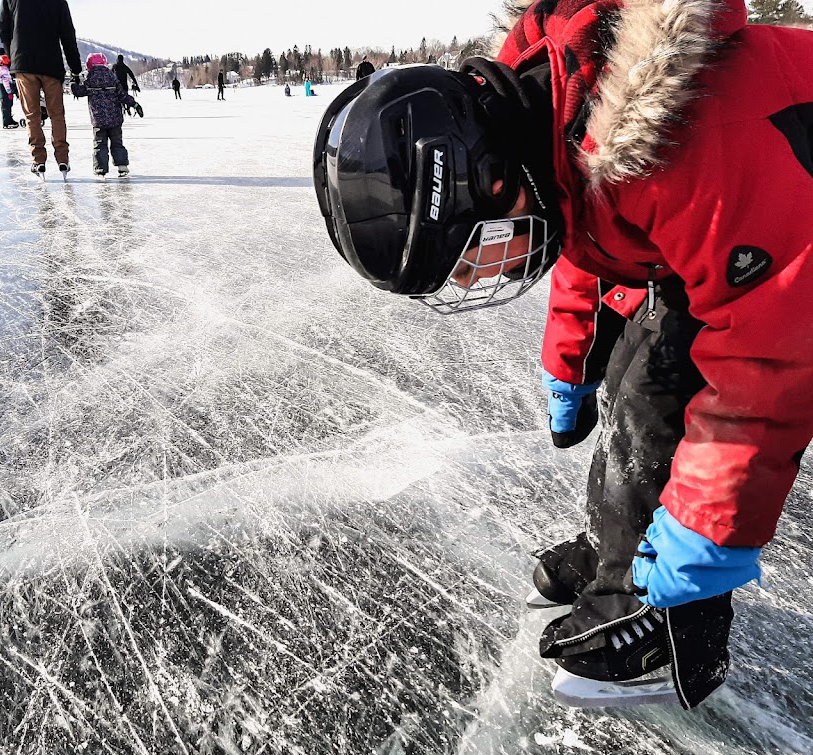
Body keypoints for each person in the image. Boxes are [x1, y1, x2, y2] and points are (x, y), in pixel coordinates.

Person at [313, 0, 813, 711]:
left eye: (471, 251)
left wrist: (705, 541)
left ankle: (668, 619)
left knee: (666, 381)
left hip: (782, 251)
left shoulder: (680, 145)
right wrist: (569, 360)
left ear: (491, 181)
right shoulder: (553, 113)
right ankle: (621, 554)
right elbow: (588, 226)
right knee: (629, 375)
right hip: (741, 242)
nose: (480, 273)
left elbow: (775, 360)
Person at [0, 0, 82, 179]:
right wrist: (75, 68)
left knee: (32, 116)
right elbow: (67, 33)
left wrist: (11, 53)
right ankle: (62, 159)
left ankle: (38, 161)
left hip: (23, 62)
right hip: (51, 64)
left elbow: (2, 26)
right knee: (56, 114)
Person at [70, 52, 143, 179]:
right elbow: (123, 95)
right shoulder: (113, 78)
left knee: (100, 144)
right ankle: (122, 166)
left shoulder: (90, 81)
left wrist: (73, 82)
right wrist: (135, 104)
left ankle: (100, 169)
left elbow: (78, 91)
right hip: (115, 119)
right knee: (117, 143)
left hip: (98, 121)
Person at [0, 53, 20, 128]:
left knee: (8, 104)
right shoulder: (4, 70)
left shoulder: (0, 68)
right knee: (6, 104)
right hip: (5, 87)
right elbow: (5, 81)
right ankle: (7, 122)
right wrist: (9, 90)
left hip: (4, 86)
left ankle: (9, 119)